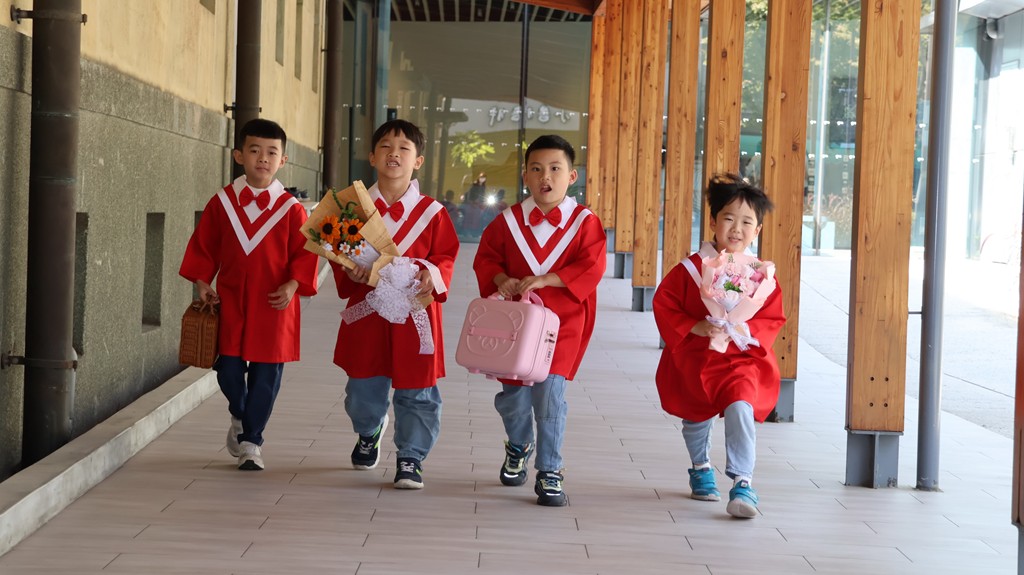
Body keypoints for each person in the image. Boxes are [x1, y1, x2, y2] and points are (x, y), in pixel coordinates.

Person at [473, 135, 606, 506]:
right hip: (516, 326)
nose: (545, 176)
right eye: (536, 169)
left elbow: (592, 265)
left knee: (550, 397)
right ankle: (519, 444)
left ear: (572, 176)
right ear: (525, 176)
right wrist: (501, 279)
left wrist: (548, 279)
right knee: (513, 399)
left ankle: (550, 470)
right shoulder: (508, 222)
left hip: (562, 325)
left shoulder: (585, 223)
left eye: (555, 168)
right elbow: (487, 259)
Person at [179, 118, 318, 471]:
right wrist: (202, 282)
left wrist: (293, 284)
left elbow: (304, 253)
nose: (263, 158)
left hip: (274, 304)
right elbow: (205, 245)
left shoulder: (291, 208)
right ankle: (239, 415)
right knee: (228, 370)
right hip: (230, 301)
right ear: (239, 155)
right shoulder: (222, 202)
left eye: (272, 152)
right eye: (255, 150)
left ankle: (252, 442)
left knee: (266, 376)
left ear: (283, 160)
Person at [331, 119, 459, 489]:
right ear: (372, 156)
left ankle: (411, 457)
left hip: (416, 313)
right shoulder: (351, 210)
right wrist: (350, 272)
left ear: (418, 161)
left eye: (404, 148)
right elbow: (338, 257)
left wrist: (431, 274)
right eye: (386, 146)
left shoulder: (433, 213)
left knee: (418, 389)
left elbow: (446, 257)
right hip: (368, 311)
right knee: (361, 392)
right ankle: (368, 430)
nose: (394, 153)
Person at [652, 174, 786, 518]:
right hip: (697, 354)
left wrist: (743, 328)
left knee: (741, 406)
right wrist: (696, 326)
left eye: (747, 222)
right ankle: (700, 467)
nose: (736, 229)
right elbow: (665, 304)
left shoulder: (760, 276)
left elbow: (771, 317)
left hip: (740, 358)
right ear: (713, 222)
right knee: (696, 416)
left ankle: (743, 481)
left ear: (757, 230)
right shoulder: (690, 269)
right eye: (728, 218)